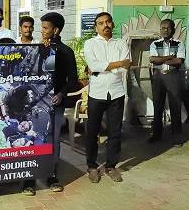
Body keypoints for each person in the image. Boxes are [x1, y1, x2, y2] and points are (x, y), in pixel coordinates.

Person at [22, 13, 78, 196]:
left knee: (52, 139)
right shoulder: (37, 49)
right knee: (34, 136)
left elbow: (73, 79)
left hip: (55, 103)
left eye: (46, 28)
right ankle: (29, 179)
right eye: (42, 28)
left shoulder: (66, 51)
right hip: (37, 101)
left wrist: (61, 94)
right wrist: (42, 52)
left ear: (56, 30)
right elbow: (31, 72)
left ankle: (51, 175)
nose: (42, 31)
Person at [83, 12, 131, 183]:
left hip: (117, 92)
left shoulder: (121, 43)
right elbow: (94, 66)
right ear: (96, 26)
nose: (105, 25)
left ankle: (111, 166)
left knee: (115, 132)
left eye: (108, 22)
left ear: (113, 24)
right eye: (101, 23)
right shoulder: (90, 44)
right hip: (97, 93)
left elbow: (126, 68)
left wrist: (103, 68)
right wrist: (117, 64)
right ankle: (91, 166)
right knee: (92, 132)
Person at [148, 19, 186, 147]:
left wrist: (161, 60)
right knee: (157, 107)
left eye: (168, 28)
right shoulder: (154, 44)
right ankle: (156, 135)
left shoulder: (179, 43)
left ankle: (177, 137)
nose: (165, 30)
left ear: (173, 30)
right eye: (163, 28)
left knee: (175, 107)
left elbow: (179, 61)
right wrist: (169, 57)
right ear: (160, 30)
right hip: (158, 77)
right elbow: (153, 59)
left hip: (173, 76)